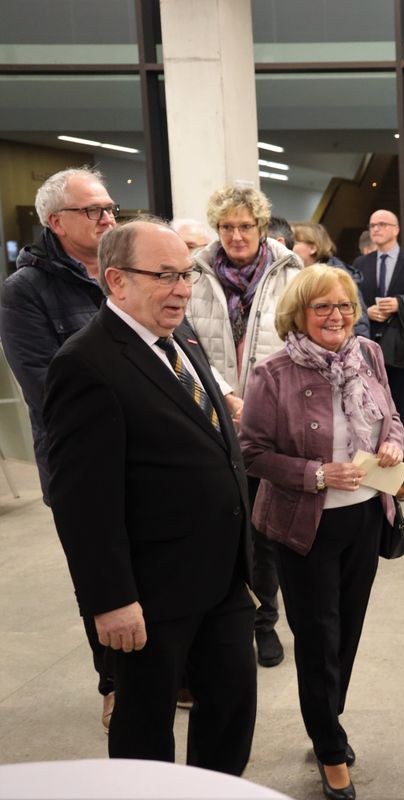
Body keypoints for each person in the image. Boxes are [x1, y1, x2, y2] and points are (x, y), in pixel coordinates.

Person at [43, 217, 256, 773]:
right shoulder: (85, 364)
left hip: (224, 576)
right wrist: (111, 599)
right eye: (165, 275)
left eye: (186, 273)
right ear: (116, 280)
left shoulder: (178, 337)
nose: (183, 288)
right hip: (150, 592)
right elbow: (82, 504)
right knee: (144, 726)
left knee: (231, 709)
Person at [239, 265, 403, 800]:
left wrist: (394, 444)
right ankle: (330, 749)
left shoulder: (368, 355)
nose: (337, 317)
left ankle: (325, 719)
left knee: (348, 632)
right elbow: (252, 453)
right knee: (317, 639)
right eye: (323, 307)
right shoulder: (273, 373)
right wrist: (316, 474)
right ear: (298, 314)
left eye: (345, 306)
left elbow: (391, 416)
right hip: (303, 526)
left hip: (365, 515)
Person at [0, 165, 118, 730]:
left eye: (110, 207)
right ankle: (115, 681)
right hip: (80, 463)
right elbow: (47, 387)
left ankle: (169, 669)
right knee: (101, 572)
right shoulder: (26, 290)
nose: (107, 217)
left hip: (153, 454)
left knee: (159, 565)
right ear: (56, 221)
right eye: (93, 210)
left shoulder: (126, 270)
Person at [190, 184, 304, 669]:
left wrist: (261, 400)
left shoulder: (291, 271)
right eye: (227, 226)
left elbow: (300, 341)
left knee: (264, 532)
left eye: (245, 225)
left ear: (261, 227)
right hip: (211, 415)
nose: (236, 235)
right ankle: (225, 622)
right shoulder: (192, 272)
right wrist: (226, 396)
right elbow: (185, 341)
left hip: (271, 418)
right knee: (216, 526)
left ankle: (265, 623)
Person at [353, 209, 404, 500]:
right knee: (364, 413)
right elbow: (351, 297)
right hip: (365, 348)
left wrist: (401, 304)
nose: (376, 229)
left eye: (382, 225)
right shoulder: (362, 263)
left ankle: (398, 476)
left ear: (396, 229)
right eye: (372, 225)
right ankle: (369, 470)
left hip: (400, 351)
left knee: (398, 414)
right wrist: (366, 312)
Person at [291, 221, 370, 338]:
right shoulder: (295, 276)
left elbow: (359, 325)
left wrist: (356, 354)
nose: (287, 246)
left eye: (293, 242)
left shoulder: (339, 278)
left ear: (313, 248)